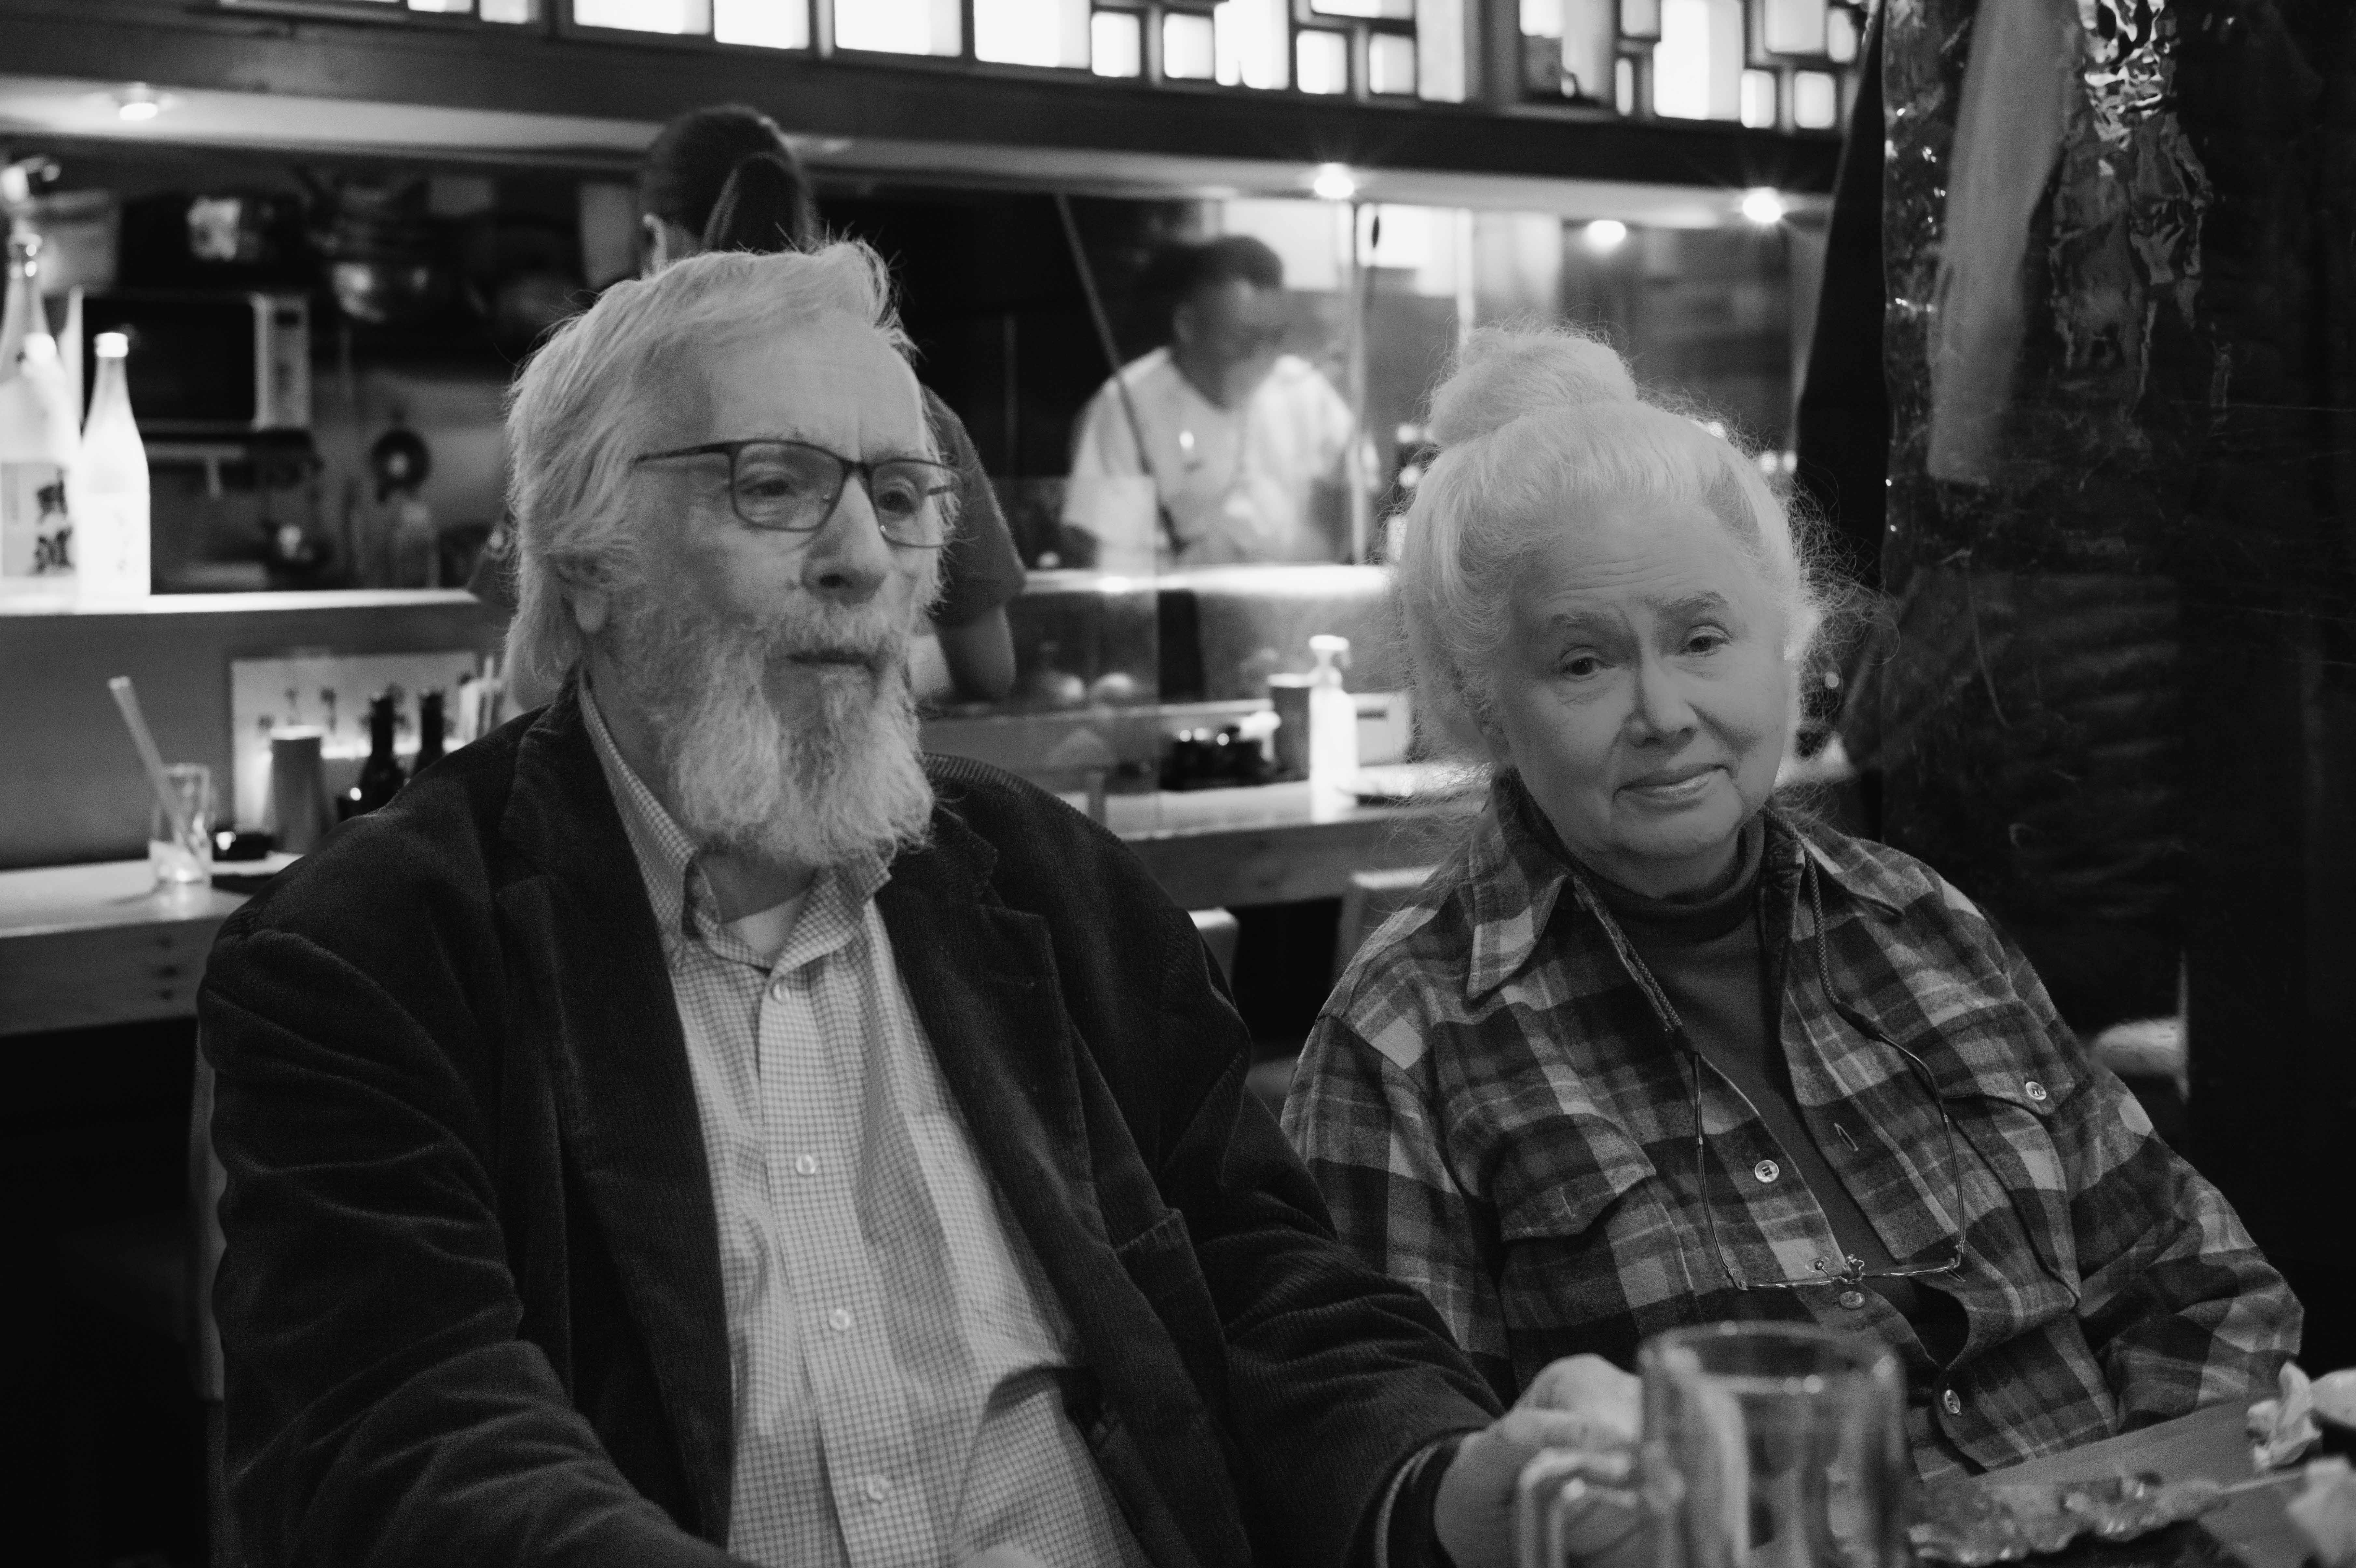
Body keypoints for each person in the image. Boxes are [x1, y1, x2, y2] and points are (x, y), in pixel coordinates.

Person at [197, 245, 1651, 1568]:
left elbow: (1268, 1284)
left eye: (898, 498)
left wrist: (1444, 1477)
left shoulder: (1047, 885)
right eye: (773, 484)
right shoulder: (378, 952)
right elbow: (404, 1431)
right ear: (585, 561)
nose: (859, 558)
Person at [1281, 326, 2302, 1479]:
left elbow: (2199, 1279)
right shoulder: (1401, 1042)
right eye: (1581, 663)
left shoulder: (1920, 923)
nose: (1662, 713)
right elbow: (1411, 1475)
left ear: (1785, 646)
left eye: (1701, 638)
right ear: (1482, 707)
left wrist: (2139, 1515)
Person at [642, 102, 1023, 702]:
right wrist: (863, 666)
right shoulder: (910, 411)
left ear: (658, 239)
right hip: (855, 752)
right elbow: (989, 670)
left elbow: (537, 678)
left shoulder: (618, 409)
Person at [1065, 236, 1356, 567]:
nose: (1263, 356)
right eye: (1244, 338)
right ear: (1187, 326)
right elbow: (1108, 551)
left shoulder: (1303, 389)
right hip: (1179, 596)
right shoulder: (1128, 404)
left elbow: (1357, 503)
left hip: (1295, 596)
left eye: (1275, 337)